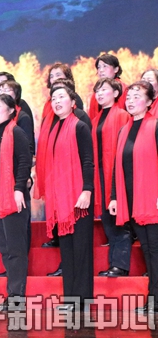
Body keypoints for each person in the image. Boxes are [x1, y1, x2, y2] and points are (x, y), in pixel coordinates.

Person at [41, 84, 94, 311]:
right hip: (61, 200)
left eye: (61, 97)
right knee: (67, 250)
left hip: (79, 197)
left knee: (81, 250)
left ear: (73, 103)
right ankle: (71, 298)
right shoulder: (54, 129)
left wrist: (87, 190)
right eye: (53, 98)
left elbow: (88, 161)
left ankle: (82, 299)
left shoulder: (79, 126)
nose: (56, 101)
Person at [109, 81, 158, 315]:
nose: (130, 100)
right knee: (147, 250)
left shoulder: (155, 126)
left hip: (152, 200)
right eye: (128, 96)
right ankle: (154, 299)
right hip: (133, 201)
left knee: (155, 250)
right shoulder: (124, 130)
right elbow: (117, 167)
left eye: (137, 96)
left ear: (149, 102)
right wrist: (115, 197)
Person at [0, 94, 32, 312]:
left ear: (12, 110)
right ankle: (11, 294)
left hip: (13, 197)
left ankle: (17, 297)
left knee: (15, 249)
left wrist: (19, 189)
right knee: (4, 248)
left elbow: (24, 162)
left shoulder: (16, 132)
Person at [91, 79, 131, 277]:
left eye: (104, 90)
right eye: (97, 91)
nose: (99, 94)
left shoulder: (123, 115)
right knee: (108, 218)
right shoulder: (95, 119)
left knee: (118, 221)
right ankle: (114, 264)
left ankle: (120, 265)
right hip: (100, 174)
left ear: (116, 93)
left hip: (116, 173)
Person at [87, 54, 127, 119]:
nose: (101, 70)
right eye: (99, 67)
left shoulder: (123, 88)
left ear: (116, 69)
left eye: (105, 66)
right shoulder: (96, 91)